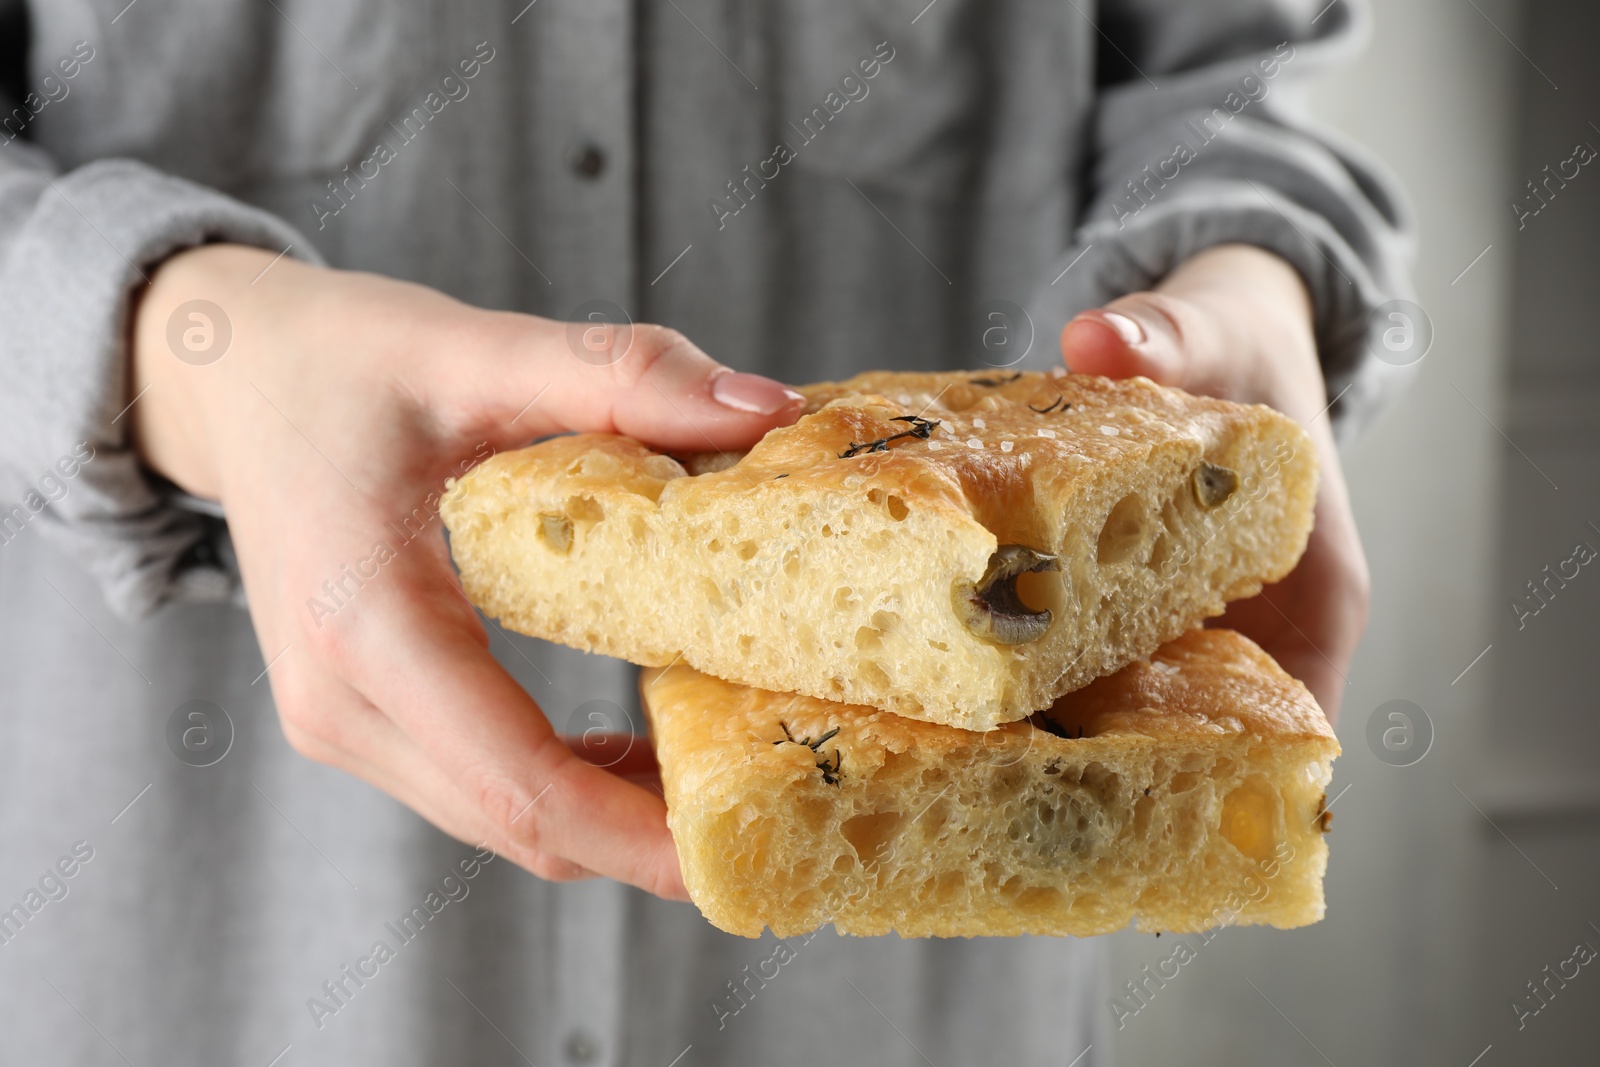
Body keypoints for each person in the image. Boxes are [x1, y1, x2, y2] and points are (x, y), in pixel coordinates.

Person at [0, 1, 1408, 1063]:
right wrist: (189, 350)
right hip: (224, 956)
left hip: (915, 997)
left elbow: (1233, 82)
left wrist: (1251, 274)